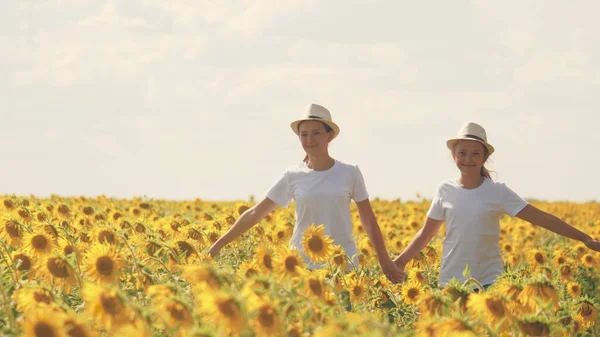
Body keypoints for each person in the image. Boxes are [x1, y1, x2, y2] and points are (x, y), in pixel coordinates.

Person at [207, 104, 404, 283]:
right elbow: (254, 214)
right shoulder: (292, 175)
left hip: (343, 266)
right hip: (302, 267)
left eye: (316, 133)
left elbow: (368, 218)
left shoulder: (350, 172)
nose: (309, 140)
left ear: (330, 136)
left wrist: (384, 260)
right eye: (304, 134)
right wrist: (217, 246)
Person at [393, 122, 600, 289]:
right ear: (454, 155)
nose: (468, 158)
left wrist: (583, 237)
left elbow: (542, 218)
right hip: (452, 281)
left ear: (485, 157)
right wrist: (400, 261)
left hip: (489, 281)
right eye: (463, 152)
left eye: (475, 153)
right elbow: (426, 233)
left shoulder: (497, 191)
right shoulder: (444, 189)